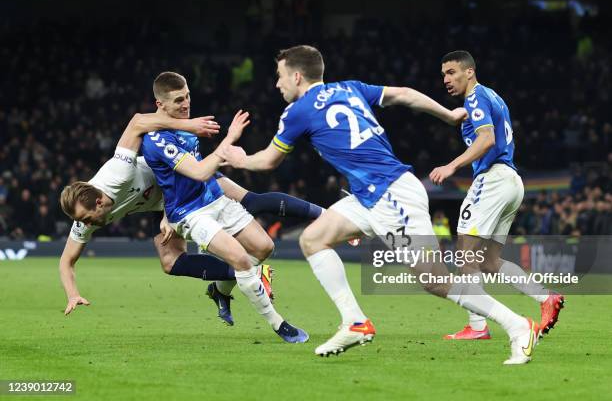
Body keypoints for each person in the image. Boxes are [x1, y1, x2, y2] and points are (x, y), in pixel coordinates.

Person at [220, 45, 540, 364]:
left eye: (280, 77)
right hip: (368, 197)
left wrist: (242, 159)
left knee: (436, 280)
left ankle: (518, 326)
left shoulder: (297, 112)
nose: (278, 84)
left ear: (297, 76)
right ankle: (355, 322)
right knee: (313, 238)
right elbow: (404, 94)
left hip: (393, 195)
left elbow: (270, 161)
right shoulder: (351, 88)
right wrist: (448, 115)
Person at [59, 113, 323, 326]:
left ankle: (325, 215)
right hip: (162, 203)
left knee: (250, 201)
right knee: (171, 263)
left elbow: (138, 121)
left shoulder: (117, 174)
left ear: (99, 201)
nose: (86, 224)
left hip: (181, 178)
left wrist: (187, 125)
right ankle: (236, 280)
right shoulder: (83, 217)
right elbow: (66, 260)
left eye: (87, 218)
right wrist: (73, 295)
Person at [140, 71, 308, 343]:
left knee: (264, 248)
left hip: (214, 199)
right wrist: (229, 140)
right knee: (240, 260)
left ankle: (219, 290)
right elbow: (197, 172)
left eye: (188, 97)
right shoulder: (156, 140)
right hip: (189, 214)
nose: (186, 104)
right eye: (178, 100)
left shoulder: (188, 128)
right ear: (160, 105)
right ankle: (279, 325)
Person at [431, 50, 564, 340]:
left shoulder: (475, 97)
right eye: (443, 74)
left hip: (491, 180)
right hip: (512, 181)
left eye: (451, 72)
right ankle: (546, 298)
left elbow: (487, 139)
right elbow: (477, 125)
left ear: (469, 72)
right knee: (490, 261)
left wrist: (452, 165)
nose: (446, 79)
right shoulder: (492, 96)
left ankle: (477, 327)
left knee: (465, 255)